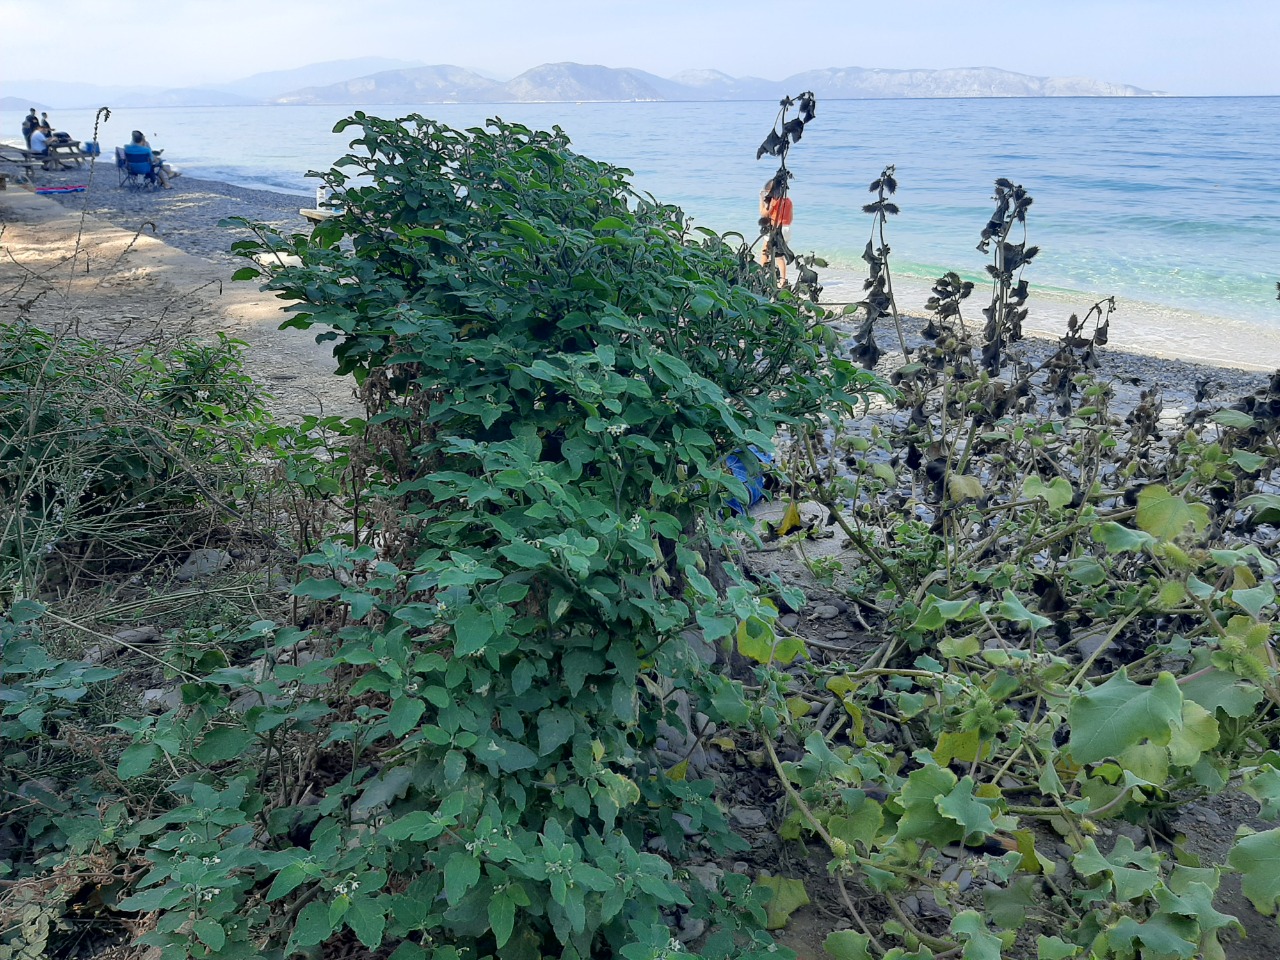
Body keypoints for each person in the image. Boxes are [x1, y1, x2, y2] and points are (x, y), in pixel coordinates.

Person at [758, 177, 794, 283]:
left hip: (775, 229)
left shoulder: (773, 200)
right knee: (780, 255)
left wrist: (761, 200)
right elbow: (790, 218)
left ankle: (762, 274)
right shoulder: (788, 201)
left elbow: (763, 213)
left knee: (765, 252)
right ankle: (783, 280)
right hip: (786, 228)